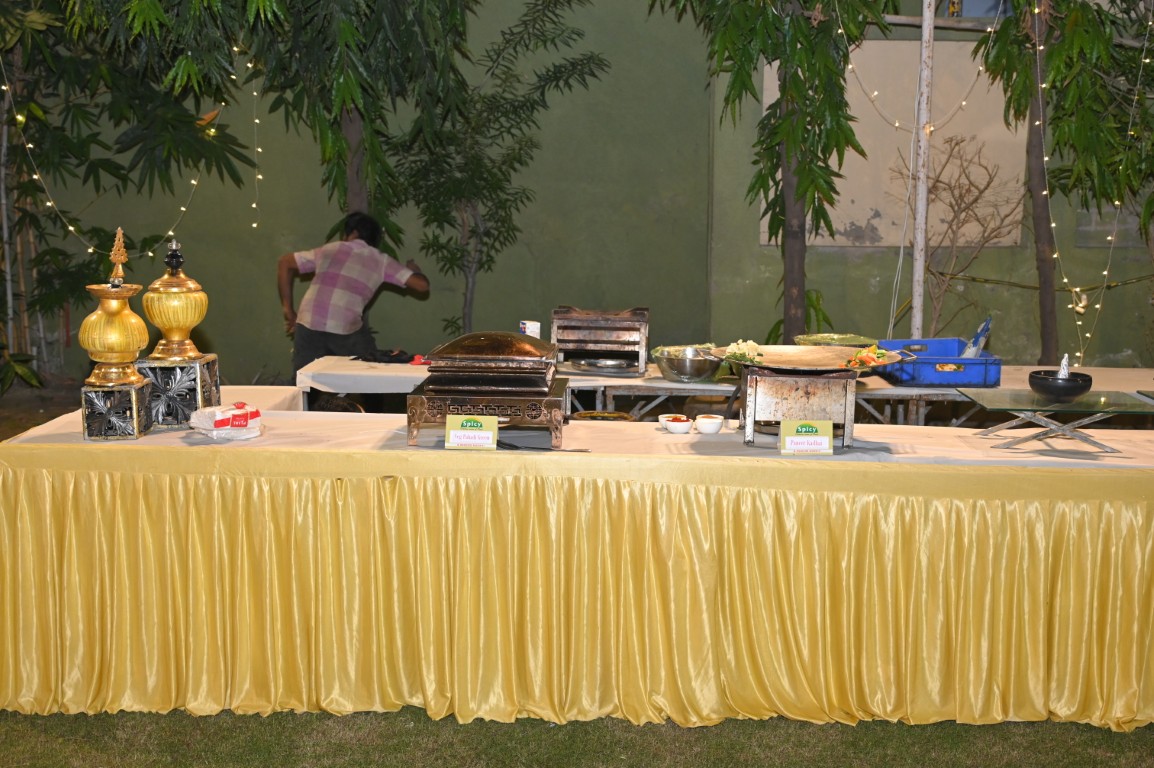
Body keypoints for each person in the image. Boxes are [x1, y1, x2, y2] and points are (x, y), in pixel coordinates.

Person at [278, 212, 430, 374]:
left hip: (308, 322)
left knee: (305, 378)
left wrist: (288, 309)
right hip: (344, 327)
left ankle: (303, 388)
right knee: (368, 371)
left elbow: (285, 262)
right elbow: (422, 286)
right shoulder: (380, 260)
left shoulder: (330, 249)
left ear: (353, 232)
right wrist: (415, 271)